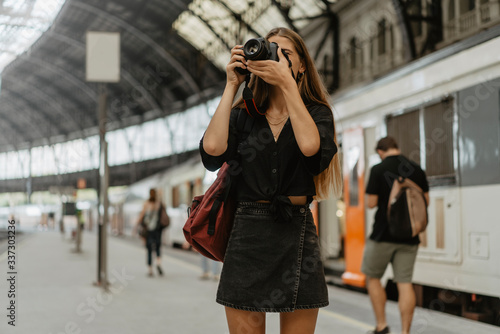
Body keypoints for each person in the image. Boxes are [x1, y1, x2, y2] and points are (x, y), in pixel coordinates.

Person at [200, 27, 342, 334]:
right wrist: (231, 85)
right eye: (270, 51)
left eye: (285, 54)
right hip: (248, 232)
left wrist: (288, 86)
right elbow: (212, 152)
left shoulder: (317, 114)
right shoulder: (242, 116)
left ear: (302, 65)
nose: (275, 59)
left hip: (297, 230)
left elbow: (311, 150)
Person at [362, 136, 429, 334]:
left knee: (373, 277)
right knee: (405, 283)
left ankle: (382, 326)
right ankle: (405, 332)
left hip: (382, 235)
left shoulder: (378, 169)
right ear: (396, 147)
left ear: (380, 152)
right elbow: (425, 202)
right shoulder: (416, 168)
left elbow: (371, 203)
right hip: (409, 236)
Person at [136, 188, 165, 277]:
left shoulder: (146, 204)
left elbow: (141, 216)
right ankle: (158, 263)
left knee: (149, 249)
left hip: (148, 230)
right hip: (157, 230)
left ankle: (150, 270)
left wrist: (137, 224)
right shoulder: (159, 204)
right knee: (157, 247)